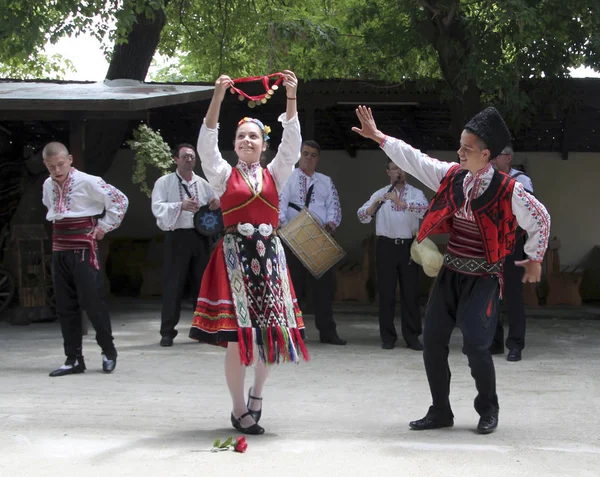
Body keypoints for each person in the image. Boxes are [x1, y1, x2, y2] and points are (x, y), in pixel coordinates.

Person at [352, 105, 550, 434]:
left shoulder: (508, 190)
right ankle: (440, 410)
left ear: (486, 154)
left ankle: (488, 408)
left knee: (475, 344)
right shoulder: (452, 175)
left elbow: (540, 218)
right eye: (459, 146)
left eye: (466, 149)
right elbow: (415, 159)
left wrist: (535, 257)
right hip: (451, 273)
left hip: (484, 277)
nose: (459, 152)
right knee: (432, 340)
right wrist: (379, 138)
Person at [189, 70, 309, 435]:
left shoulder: (277, 172)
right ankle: (239, 408)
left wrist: (290, 98)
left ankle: (257, 395)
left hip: (269, 258)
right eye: (240, 136)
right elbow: (205, 145)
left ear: (263, 143)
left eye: (253, 136)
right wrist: (217, 97)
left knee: (268, 334)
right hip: (235, 260)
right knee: (239, 337)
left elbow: (293, 143)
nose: (246, 141)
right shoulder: (223, 175)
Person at [41, 142, 129, 377]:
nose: (57, 170)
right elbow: (52, 210)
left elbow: (120, 201)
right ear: (45, 165)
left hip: (83, 249)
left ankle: (108, 351)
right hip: (60, 249)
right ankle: (73, 359)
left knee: (92, 302)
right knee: (65, 306)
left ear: (70, 159)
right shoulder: (48, 184)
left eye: (60, 164)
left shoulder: (89, 181)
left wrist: (102, 228)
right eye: (51, 167)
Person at [151, 143, 220, 347]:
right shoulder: (164, 182)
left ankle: (203, 330)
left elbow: (215, 203)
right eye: (185, 156)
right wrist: (179, 206)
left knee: (202, 284)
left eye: (192, 157)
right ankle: (167, 332)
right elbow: (157, 208)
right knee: (174, 284)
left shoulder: (203, 183)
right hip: (177, 237)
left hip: (200, 237)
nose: (189, 159)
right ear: (176, 159)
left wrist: (217, 203)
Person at [278, 140, 346, 345]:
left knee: (324, 289)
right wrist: (283, 228)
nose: (309, 158)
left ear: (318, 158)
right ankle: (292, 333)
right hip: (294, 238)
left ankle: (328, 332)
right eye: (305, 153)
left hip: (319, 239)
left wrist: (332, 224)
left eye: (313, 155)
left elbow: (334, 205)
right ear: (299, 155)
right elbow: (280, 203)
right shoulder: (288, 177)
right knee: (293, 287)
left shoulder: (325, 181)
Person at [357, 159, 429, 350]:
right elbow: (362, 215)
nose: (399, 172)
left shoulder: (416, 193)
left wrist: (401, 202)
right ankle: (387, 337)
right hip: (386, 247)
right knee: (386, 293)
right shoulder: (380, 193)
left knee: (410, 293)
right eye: (395, 168)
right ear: (388, 172)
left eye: (402, 169)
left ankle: (412, 336)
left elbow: (424, 210)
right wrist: (373, 207)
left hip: (408, 247)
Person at [490, 144, 534, 361]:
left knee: (513, 296)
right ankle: (494, 341)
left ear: (507, 158)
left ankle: (515, 345)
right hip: (491, 244)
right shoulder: (488, 177)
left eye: (496, 156)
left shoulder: (521, 180)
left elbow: (526, 209)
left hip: (512, 245)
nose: (492, 160)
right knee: (491, 294)